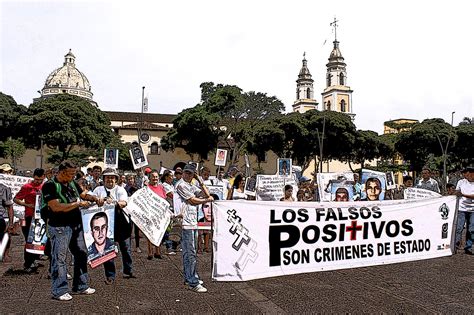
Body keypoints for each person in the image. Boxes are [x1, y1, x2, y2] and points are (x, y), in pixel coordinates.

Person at [42, 160, 101, 301]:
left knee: (81, 253)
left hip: (76, 225)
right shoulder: (50, 185)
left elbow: (83, 193)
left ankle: (81, 285)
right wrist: (78, 204)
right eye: (71, 174)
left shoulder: (72, 183)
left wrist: (94, 198)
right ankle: (59, 290)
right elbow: (56, 207)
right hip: (59, 226)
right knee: (60, 258)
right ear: (62, 172)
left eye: (75, 173)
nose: (73, 176)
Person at [89, 168, 133, 284]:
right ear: (103, 179)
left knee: (126, 249)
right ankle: (110, 275)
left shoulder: (120, 189)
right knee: (107, 250)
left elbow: (124, 202)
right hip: (106, 225)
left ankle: (128, 271)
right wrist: (97, 201)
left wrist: (114, 202)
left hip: (121, 223)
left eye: (112, 177)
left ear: (116, 179)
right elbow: (92, 203)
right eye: (107, 177)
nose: (110, 179)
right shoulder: (98, 190)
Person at [176, 164, 213, 293]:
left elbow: (205, 193)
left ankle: (189, 277)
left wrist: (199, 180)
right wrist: (206, 200)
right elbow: (192, 200)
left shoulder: (192, 185)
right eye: (186, 172)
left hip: (192, 222)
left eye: (190, 173)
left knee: (189, 252)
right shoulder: (181, 185)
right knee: (190, 253)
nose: (187, 175)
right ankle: (193, 281)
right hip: (186, 222)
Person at [13, 168, 45, 272]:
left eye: (40, 180)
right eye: (36, 179)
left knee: (39, 240)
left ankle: (34, 259)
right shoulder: (27, 187)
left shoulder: (45, 186)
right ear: (33, 177)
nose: (38, 182)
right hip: (29, 217)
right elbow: (16, 199)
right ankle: (28, 263)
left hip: (41, 217)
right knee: (29, 239)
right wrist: (27, 204)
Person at [146, 170, 166, 260]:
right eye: (153, 176)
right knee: (150, 233)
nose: (155, 178)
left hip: (160, 214)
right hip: (150, 213)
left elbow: (164, 200)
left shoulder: (161, 187)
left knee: (159, 233)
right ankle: (150, 252)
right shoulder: (146, 188)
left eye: (156, 176)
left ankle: (158, 252)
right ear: (149, 178)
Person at [455, 166, 474, 255]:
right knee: (459, 228)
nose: (466, 175)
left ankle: (468, 247)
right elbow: (456, 192)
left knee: (471, 229)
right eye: (465, 173)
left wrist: (463, 194)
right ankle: (455, 245)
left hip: (472, 210)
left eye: (468, 173)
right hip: (461, 208)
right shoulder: (461, 182)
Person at [0, 181, 14, 262]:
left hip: (1, 218)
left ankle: (5, 255)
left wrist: (11, 223)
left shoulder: (4, 189)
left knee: (5, 236)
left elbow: (10, 207)